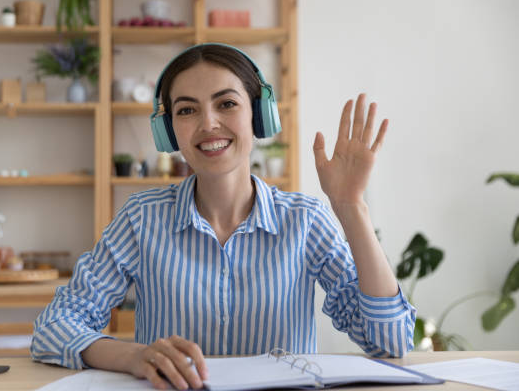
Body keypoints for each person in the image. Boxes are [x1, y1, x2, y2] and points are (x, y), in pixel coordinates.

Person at [31, 43, 416, 390]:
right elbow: (53, 327)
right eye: (186, 110)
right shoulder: (141, 219)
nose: (208, 123)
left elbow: (391, 341)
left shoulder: (305, 221)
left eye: (226, 103)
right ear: (168, 131)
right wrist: (134, 356)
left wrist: (351, 207)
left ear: (258, 115)